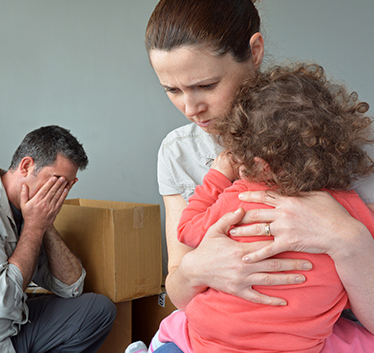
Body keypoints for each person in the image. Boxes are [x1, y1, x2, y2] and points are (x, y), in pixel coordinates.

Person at [143, 0, 374, 352]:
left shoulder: (340, 146)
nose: (191, 109)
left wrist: (346, 236)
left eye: (206, 85)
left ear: (254, 51)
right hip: (221, 334)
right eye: (172, 90)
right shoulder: (178, 151)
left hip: (318, 333)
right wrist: (199, 269)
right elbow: (178, 290)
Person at [0, 125, 116, 353]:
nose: (59, 193)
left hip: (13, 328)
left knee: (98, 310)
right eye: (56, 181)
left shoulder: (27, 211)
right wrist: (34, 226)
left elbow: (71, 287)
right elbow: (5, 300)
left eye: (67, 185)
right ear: (26, 166)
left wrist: (44, 224)